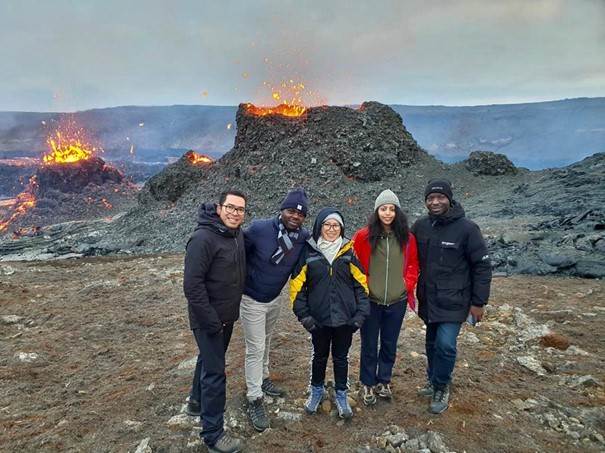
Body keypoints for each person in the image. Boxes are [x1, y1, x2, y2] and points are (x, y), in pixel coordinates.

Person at [412, 179, 492, 414]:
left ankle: (441, 386)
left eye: (440, 197)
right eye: (430, 198)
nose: (435, 202)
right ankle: (433, 379)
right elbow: (402, 249)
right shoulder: (421, 226)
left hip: (456, 300)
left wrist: (479, 302)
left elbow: (482, 267)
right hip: (429, 299)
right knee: (431, 343)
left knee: (445, 345)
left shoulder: (467, 229)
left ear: (449, 199)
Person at [240, 188, 310, 432]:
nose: (295, 216)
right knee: (255, 347)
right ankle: (254, 397)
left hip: (274, 299)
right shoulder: (259, 229)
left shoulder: (302, 237)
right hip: (251, 299)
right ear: (282, 210)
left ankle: (264, 377)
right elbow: (237, 251)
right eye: (291, 211)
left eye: (300, 214)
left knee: (266, 341)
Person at [290, 207, 370, 419]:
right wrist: (305, 316)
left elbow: (361, 286)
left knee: (341, 358)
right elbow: (297, 288)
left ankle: (342, 393)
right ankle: (317, 390)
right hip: (319, 320)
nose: (332, 229)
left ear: (342, 228)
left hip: (346, 320)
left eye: (336, 225)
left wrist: (360, 316)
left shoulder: (349, 253)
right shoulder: (309, 252)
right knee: (319, 356)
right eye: (327, 224)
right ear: (319, 227)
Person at [183, 190, 247, 453]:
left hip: (225, 317)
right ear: (219, 208)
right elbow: (192, 285)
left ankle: (196, 403)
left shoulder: (235, 235)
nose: (234, 213)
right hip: (209, 319)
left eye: (240, 209)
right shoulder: (202, 239)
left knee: (208, 360)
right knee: (215, 373)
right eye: (230, 207)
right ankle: (213, 434)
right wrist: (211, 321)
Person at [352, 189, 419, 406]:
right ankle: (367, 382)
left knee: (390, 343)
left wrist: (406, 284)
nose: (388, 213)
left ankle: (384, 380)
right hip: (371, 301)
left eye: (392, 209)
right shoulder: (364, 236)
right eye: (383, 209)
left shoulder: (407, 237)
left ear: (397, 211)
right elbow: (355, 265)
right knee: (369, 343)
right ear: (377, 211)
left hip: (397, 301)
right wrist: (363, 288)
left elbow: (413, 264)